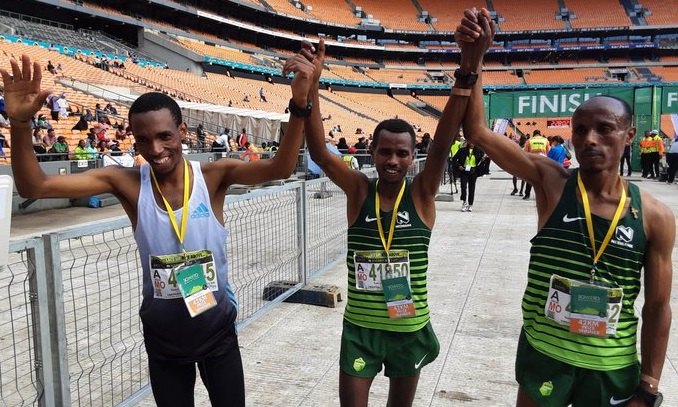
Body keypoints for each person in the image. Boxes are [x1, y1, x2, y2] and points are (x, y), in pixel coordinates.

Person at [2, 50, 315, 406]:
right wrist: (21, 124)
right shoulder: (128, 183)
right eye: (143, 140)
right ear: (133, 140)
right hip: (164, 337)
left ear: (182, 131)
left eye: (165, 136)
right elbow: (35, 187)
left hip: (217, 330)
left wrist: (300, 104)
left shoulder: (213, 177)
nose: (156, 149)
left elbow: (281, 167)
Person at [457, 10, 673, 406]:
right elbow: (478, 133)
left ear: (630, 135)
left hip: (611, 368)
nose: (589, 139)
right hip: (546, 355)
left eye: (604, 129)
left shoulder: (655, 216)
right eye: (579, 130)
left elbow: (658, 307)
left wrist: (650, 385)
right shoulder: (552, 182)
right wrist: (473, 62)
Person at [304, 27, 489, 406]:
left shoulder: (422, 193)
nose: (393, 161)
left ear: (412, 156)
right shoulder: (359, 190)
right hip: (361, 329)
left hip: (409, 327)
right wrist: (311, 87)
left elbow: (444, 138)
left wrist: (466, 71)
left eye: (402, 154)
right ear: (372, 151)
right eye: (385, 151)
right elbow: (321, 153)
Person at [452, 139, 485, 212]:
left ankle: (470, 204)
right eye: (470, 142)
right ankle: (464, 202)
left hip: (473, 171)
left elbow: (481, 161)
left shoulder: (478, 151)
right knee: (463, 187)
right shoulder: (462, 150)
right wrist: (459, 166)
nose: (472, 144)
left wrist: (482, 160)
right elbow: (454, 159)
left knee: (472, 188)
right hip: (464, 170)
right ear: (468, 142)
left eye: (473, 142)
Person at [522, 129, 549, 200]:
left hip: (532, 162)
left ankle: (527, 195)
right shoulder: (545, 140)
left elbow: (525, 153)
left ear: (533, 134)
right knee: (542, 180)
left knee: (530, 179)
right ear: (540, 134)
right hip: (543, 162)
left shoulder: (529, 141)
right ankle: (543, 196)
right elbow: (548, 152)